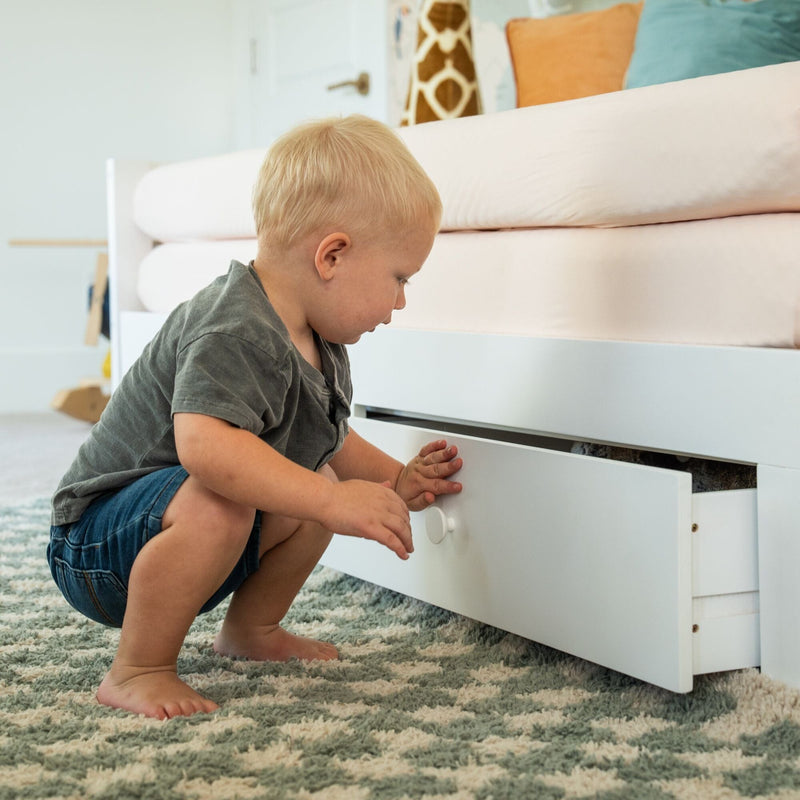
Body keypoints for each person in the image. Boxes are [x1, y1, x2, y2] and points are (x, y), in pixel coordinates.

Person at [47, 115, 463, 720]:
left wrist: (395, 479)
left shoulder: (317, 341)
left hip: (183, 538)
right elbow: (204, 448)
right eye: (399, 277)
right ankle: (137, 668)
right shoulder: (235, 326)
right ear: (333, 256)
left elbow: (329, 439)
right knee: (250, 495)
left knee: (317, 479)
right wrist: (332, 503)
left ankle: (251, 630)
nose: (401, 299)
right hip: (97, 545)